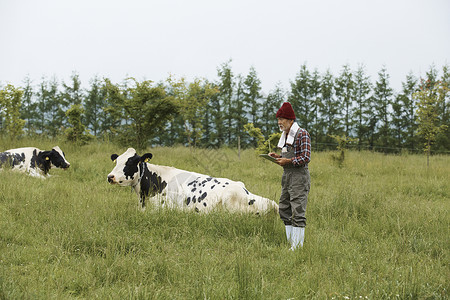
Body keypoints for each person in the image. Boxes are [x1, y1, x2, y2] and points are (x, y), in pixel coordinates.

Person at [269, 102, 311, 250]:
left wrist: (288, 160)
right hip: (287, 176)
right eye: (278, 119)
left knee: (298, 210)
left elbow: (305, 157)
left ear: (291, 120)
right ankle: (290, 243)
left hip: (299, 177)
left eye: (282, 119)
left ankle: (297, 247)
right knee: (284, 208)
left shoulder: (302, 134)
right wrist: (278, 157)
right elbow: (288, 157)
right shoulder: (286, 136)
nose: (279, 122)